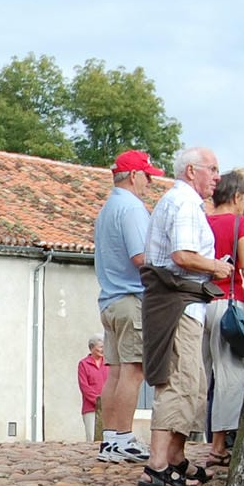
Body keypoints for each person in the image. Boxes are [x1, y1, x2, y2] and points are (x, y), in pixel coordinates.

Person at [138, 146, 230, 486]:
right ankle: (157, 465)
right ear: (192, 171)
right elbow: (183, 255)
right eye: (213, 168)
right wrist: (218, 266)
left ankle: (174, 458)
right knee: (178, 383)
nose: (217, 177)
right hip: (178, 306)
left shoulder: (178, 201)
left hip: (181, 304)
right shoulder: (186, 203)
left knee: (190, 384)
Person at [92, 149, 162, 463]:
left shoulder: (108, 208)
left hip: (109, 299)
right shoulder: (132, 208)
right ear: (134, 176)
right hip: (131, 298)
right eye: (148, 176)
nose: (150, 183)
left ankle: (110, 439)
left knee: (116, 373)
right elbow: (139, 257)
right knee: (134, 372)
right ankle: (123, 438)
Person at [202, 168, 244, 466]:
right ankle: (219, 445)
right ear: (237, 196)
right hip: (228, 303)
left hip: (199, 303)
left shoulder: (204, 220)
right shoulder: (238, 223)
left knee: (204, 375)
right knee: (231, 375)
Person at [77, 335, 108, 441]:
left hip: (108, 407)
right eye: (100, 347)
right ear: (92, 348)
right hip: (90, 408)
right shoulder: (84, 364)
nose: (103, 349)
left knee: (107, 438)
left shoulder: (108, 363)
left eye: (104, 347)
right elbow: (84, 386)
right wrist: (98, 401)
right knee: (91, 437)